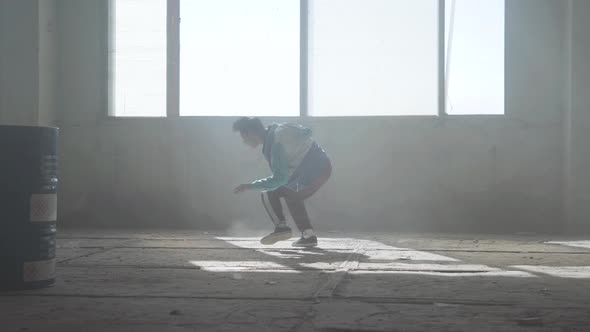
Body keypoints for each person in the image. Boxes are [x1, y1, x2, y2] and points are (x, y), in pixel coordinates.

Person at [233, 117, 332, 247]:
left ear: (250, 133)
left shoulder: (275, 143)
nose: (243, 141)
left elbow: (279, 179)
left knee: (269, 193)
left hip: (314, 171)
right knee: (291, 193)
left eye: (243, 136)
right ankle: (308, 236)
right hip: (323, 166)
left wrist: (250, 186)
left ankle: (282, 228)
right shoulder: (280, 128)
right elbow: (307, 131)